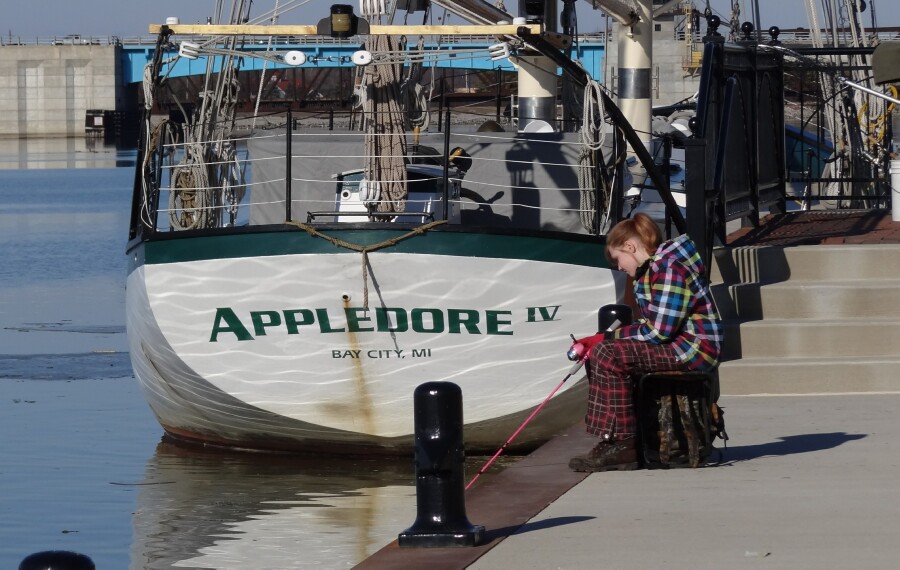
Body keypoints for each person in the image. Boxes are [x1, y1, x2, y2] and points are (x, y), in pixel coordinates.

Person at [569, 213, 723, 472]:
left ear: (630, 247)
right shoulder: (654, 269)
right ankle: (614, 439)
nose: (618, 267)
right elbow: (655, 328)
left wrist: (604, 339)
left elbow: (658, 333)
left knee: (609, 354)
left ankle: (622, 444)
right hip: (679, 344)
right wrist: (602, 339)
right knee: (605, 351)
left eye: (617, 258)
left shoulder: (669, 269)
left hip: (694, 349)